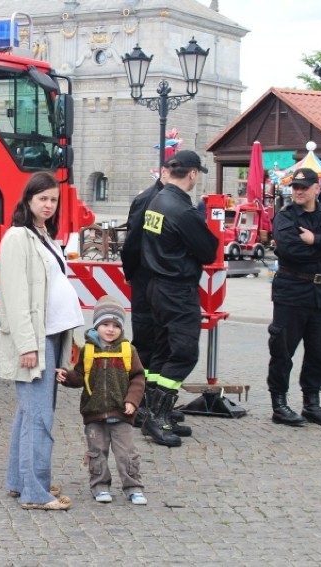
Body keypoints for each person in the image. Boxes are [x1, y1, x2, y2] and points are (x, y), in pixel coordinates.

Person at [0, 170, 83, 511]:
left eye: (53, 200)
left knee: (29, 412)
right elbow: (15, 297)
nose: (48, 205)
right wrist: (27, 346)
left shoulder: (44, 235)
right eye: (42, 199)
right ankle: (36, 491)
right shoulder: (17, 237)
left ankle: (21, 481)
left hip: (52, 334)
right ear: (28, 200)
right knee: (39, 417)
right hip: (35, 338)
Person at [140, 150, 218, 447]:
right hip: (177, 289)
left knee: (162, 350)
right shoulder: (183, 211)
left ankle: (152, 411)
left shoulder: (157, 201)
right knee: (184, 353)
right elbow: (208, 250)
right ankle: (158, 416)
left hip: (157, 286)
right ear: (193, 174)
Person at [266, 168, 321, 427]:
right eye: (295, 187)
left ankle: (311, 404)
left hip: (319, 294)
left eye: (304, 187)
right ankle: (279, 404)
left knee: (320, 352)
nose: (299, 191)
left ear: (317, 188)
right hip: (291, 291)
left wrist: (314, 239)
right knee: (282, 350)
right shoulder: (285, 217)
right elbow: (290, 252)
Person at [56, 295, 148, 505]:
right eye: (105, 324)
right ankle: (100, 486)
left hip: (121, 413)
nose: (110, 329)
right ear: (97, 325)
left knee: (126, 453)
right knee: (96, 452)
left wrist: (132, 401)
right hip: (94, 413)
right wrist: (66, 377)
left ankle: (133, 487)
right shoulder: (87, 351)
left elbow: (138, 377)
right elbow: (80, 376)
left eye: (115, 325)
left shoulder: (128, 350)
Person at [120, 166, 190, 438]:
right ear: (164, 173)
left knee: (162, 342)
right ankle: (140, 404)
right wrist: (132, 275)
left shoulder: (171, 200)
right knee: (147, 343)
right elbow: (132, 243)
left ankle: (155, 404)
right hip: (146, 280)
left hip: (159, 282)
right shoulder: (148, 199)